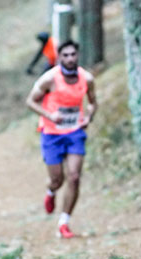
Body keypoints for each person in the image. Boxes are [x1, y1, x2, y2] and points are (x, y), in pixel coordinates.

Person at [25, 39, 98, 239]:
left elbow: (92, 103)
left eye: (73, 54)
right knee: (58, 179)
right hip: (51, 133)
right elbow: (31, 101)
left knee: (74, 176)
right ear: (59, 57)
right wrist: (50, 116)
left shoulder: (87, 78)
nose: (70, 58)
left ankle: (64, 222)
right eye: (65, 55)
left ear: (77, 56)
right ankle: (51, 192)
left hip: (75, 132)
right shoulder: (49, 79)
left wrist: (88, 117)